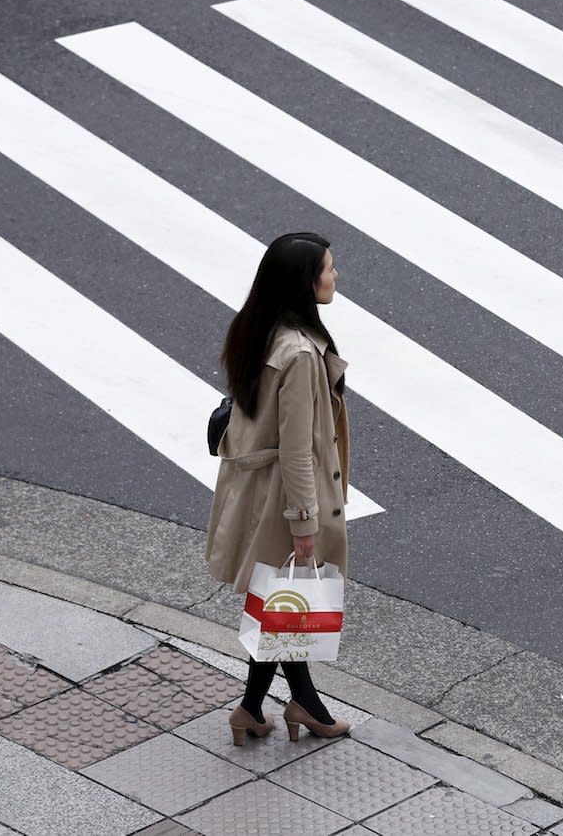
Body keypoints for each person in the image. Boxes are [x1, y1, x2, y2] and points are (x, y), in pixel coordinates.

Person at [205, 232, 351, 746]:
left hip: (253, 489)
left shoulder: (258, 327)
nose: (336, 278)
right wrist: (305, 523)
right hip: (280, 499)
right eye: (329, 270)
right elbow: (298, 450)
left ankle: (253, 708)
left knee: (280, 601)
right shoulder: (300, 353)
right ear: (304, 282)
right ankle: (304, 705)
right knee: (289, 602)